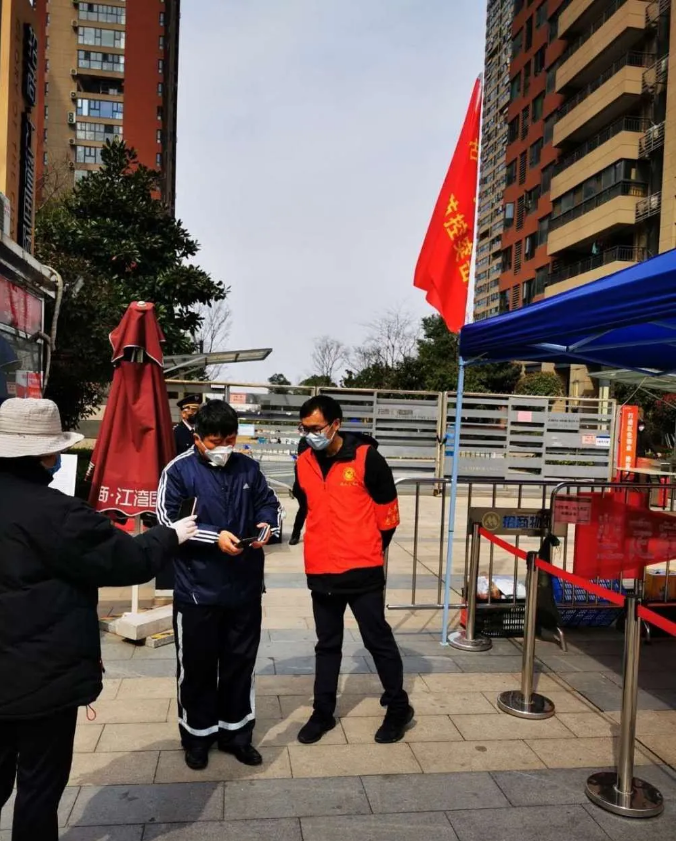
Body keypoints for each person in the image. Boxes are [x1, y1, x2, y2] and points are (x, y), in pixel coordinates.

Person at [0, 398, 197, 841]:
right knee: (38, 786)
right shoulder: (56, 512)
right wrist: (168, 535)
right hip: (41, 678)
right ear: (47, 454)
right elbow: (127, 560)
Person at [157, 399, 283, 771]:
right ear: (197, 438)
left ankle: (236, 734)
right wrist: (216, 538)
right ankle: (197, 737)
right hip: (198, 590)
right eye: (216, 441)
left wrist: (265, 527)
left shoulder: (248, 468)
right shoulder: (178, 471)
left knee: (239, 664)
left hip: (244, 587)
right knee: (196, 667)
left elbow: (270, 504)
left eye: (230, 439)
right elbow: (167, 520)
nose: (225, 447)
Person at [292, 394, 413, 745]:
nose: (311, 435)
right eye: (305, 428)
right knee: (327, 644)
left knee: (378, 640)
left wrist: (367, 546)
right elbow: (308, 505)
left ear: (336, 424)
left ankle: (398, 707)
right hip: (321, 569)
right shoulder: (303, 461)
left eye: (316, 428)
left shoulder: (366, 458)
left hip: (362, 569)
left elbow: (388, 515)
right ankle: (323, 713)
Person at [289, 436, 308, 545]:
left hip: (306, 490)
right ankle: (295, 534)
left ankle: (295, 535)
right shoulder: (301, 463)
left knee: (304, 511)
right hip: (302, 490)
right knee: (303, 510)